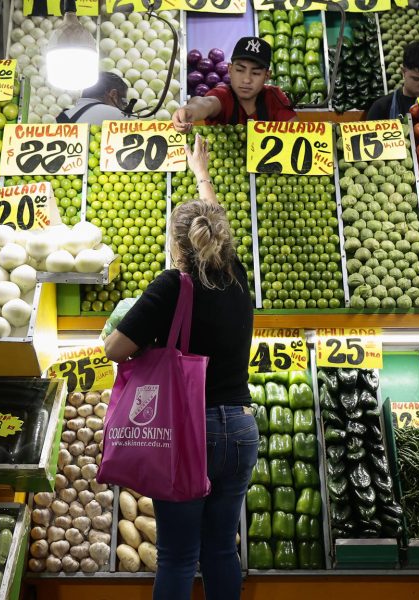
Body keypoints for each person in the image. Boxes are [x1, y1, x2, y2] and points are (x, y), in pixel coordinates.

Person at [104, 134, 256, 600]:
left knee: (176, 555)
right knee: (220, 553)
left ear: (176, 242)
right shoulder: (236, 275)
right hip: (240, 429)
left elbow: (115, 348)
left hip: (191, 434)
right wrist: (201, 175)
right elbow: (215, 224)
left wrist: (145, 338)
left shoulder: (172, 286)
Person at [172, 36, 297, 131]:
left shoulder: (274, 97)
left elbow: (296, 129)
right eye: (240, 70)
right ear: (230, 70)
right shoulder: (223, 95)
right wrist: (189, 111)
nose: (246, 80)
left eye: (256, 73)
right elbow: (206, 103)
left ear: (267, 76)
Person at [56, 72, 130, 124]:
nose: (123, 107)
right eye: (123, 102)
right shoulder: (119, 117)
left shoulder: (61, 118)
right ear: (113, 94)